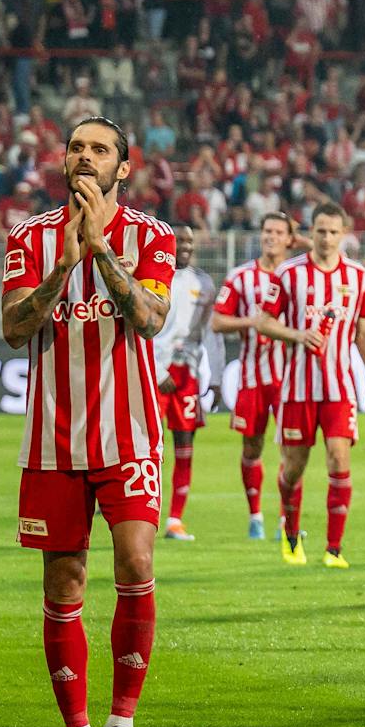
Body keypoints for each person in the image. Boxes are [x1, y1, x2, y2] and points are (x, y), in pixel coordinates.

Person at [3, 116, 175, 727]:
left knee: (134, 561)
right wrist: (64, 267)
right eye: (76, 146)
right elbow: (14, 327)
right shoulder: (29, 238)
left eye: (99, 149)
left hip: (129, 434)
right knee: (64, 578)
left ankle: (121, 726)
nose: (84, 156)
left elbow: (151, 319)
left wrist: (101, 252)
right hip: (52, 440)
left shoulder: (152, 237)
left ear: (121, 169)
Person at [265, 204, 365, 569]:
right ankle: (291, 534)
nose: (327, 238)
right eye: (320, 231)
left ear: (343, 233)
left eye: (333, 232)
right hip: (297, 388)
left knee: (338, 458)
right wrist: (298, 333)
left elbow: (362, 330)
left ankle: (334, 548)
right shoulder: (289, 273)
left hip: (339, 387)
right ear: (310, 233)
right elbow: (265, 322)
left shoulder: (358, 276)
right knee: (294, 468)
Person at [211, 210, 294, 540]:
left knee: (291, 450)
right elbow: (218, 321)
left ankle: (287, 519)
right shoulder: (241, 277)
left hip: (289, 378)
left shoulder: (297, 276)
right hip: (252, 377)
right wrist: (252, 323)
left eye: (278, 231)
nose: (271, 236)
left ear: (289, 238)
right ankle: (256, 516)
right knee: (252, 447)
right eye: (267, 231)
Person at [152, 223, 214, 542]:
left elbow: (208, 332)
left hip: (187, 374)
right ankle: (143, 513)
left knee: (185, 446)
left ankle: (175, 520)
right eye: (179, 241)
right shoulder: (151, 278)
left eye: (189, 241)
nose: (185, 247)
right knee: (149, 447)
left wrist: (213, 377)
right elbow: (139, 327)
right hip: (155, 373)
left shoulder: (202, 283)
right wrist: (157, 371)